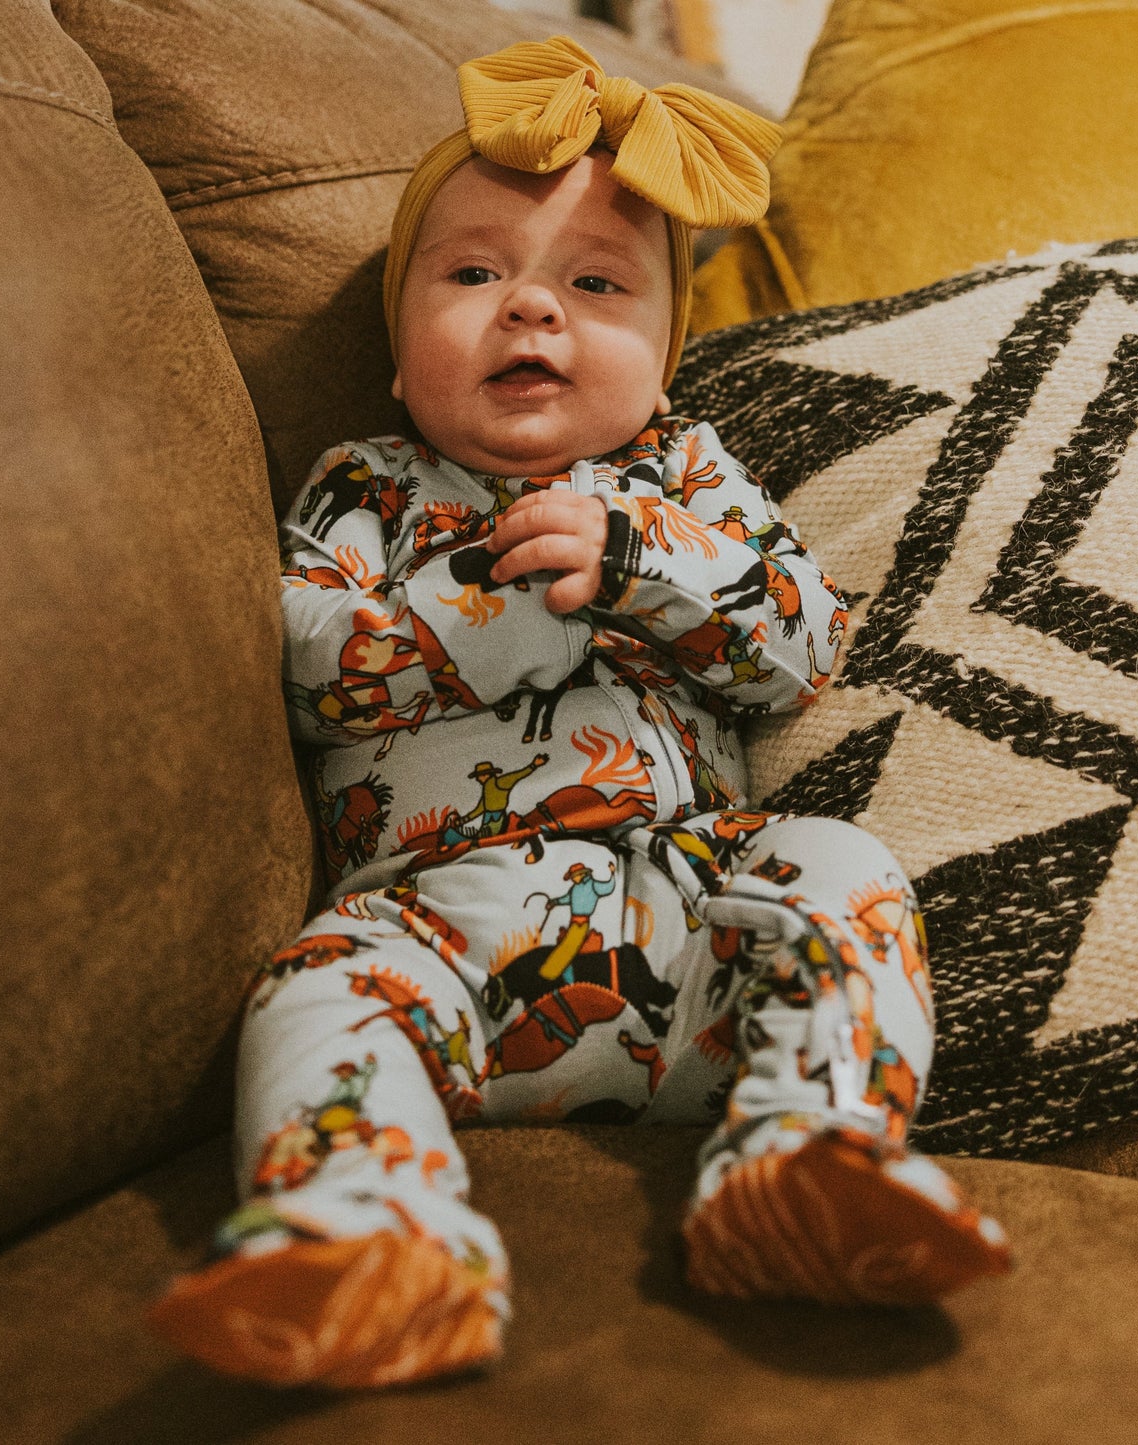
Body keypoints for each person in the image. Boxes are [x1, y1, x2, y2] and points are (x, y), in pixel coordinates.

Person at [147, 36, 1010, 1390]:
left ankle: (803, 1157)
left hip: (694, 930)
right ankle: (373, 1226)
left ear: (661, 370)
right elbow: (314, 660)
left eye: (593, 284)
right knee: (316, 991)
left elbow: (801, 641)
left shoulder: (685, 476)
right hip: (442, 935)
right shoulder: (366, 488)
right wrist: (517, 609)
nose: (531, 310)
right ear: (395, 351)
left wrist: (641, 563)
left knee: (840, 870)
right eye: (475, 274)